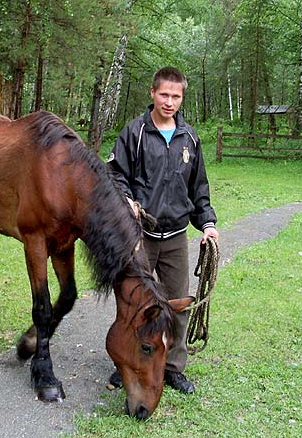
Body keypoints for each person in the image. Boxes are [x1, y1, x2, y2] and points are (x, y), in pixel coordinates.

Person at [106, 66, 218, 394]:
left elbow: (198, 188)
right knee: (134, 306)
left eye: (176, 96)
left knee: (177, 303)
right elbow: (114, 174)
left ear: (182, 97)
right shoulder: (134, 133)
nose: (169, 102)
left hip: (175, 237)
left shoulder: (190, 138)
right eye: (164, 94)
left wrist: (208, 224)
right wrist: (127, 201)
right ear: (152, 93)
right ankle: (125, 361)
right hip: (139, 238)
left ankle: (173, 366)